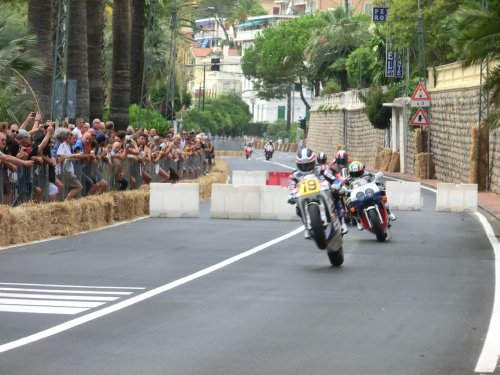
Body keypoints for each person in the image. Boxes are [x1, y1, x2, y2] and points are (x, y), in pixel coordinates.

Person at [345, 160, 397, 230]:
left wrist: (377, 181)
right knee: (348, 203)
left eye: (358, 173)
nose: (356, 175)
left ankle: (389, 212)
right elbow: (346, 189)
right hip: (357, 194)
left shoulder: (368, 174)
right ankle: (358, 220)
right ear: (350, 173)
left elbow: (375, 180)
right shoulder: (348, 179)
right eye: (354, 174)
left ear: (362, 170)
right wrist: (345, 190)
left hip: (369, 191)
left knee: (380, 186)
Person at [315, 152, 348, 234]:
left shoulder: (326, 169)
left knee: (336, 195)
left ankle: (343, 223)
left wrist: (337, 184)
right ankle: (308, 225)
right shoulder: (310, 173)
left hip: (327, 189)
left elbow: (334, 178)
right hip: (316, 192)